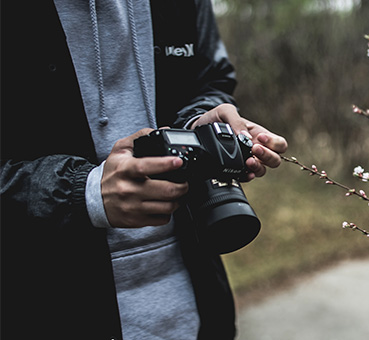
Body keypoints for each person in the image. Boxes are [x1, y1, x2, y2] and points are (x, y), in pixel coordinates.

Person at [0, 0, 287, 339]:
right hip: (43, 309)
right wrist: (82, 192)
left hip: (196, 307)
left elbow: (211, 78)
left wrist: (198, 126)